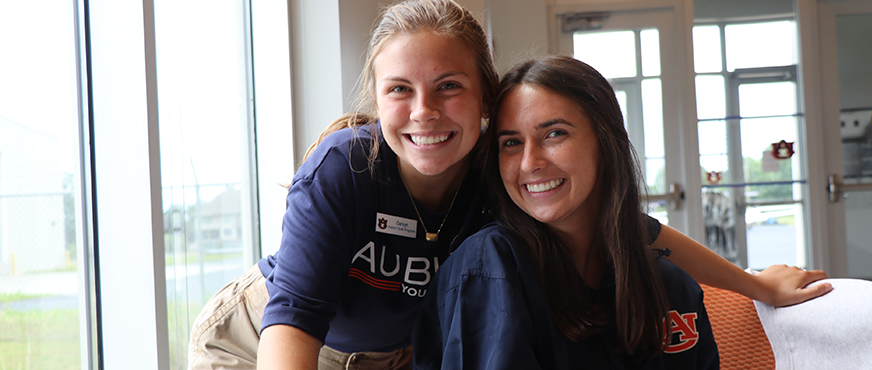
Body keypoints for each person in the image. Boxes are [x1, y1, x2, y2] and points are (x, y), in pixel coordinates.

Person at [188, 0, 828, 369]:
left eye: (449, 87)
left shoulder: (502, 173)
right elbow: (293, 318)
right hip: (261, 343)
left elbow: (633, 227)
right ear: (376, 99)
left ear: (486, 98)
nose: (425, 113)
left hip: (386, 355)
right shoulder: (346, 169)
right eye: (399, 91)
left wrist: (754, 286)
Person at [412, 55, 719, 369]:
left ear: (607, 141)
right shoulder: (491, 266)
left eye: (554, 134)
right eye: (512, 143)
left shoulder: (672, 288)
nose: (530, 162)